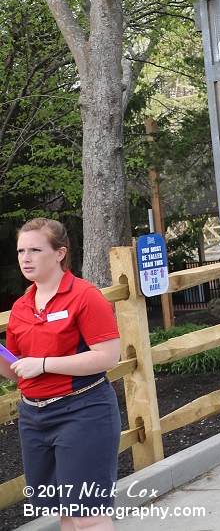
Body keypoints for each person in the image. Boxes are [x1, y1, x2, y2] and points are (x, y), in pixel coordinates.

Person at [1, 219, 122, 530]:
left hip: (83, 413)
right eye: (21, 251)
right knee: (65, 513)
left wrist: (43, 363)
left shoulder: (85, 296)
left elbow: (108, 357)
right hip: (33, 417)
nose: (25, 258)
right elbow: (17, 372)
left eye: (35, 250)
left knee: (88, 516)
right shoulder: (20, 306)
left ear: (59, 253)